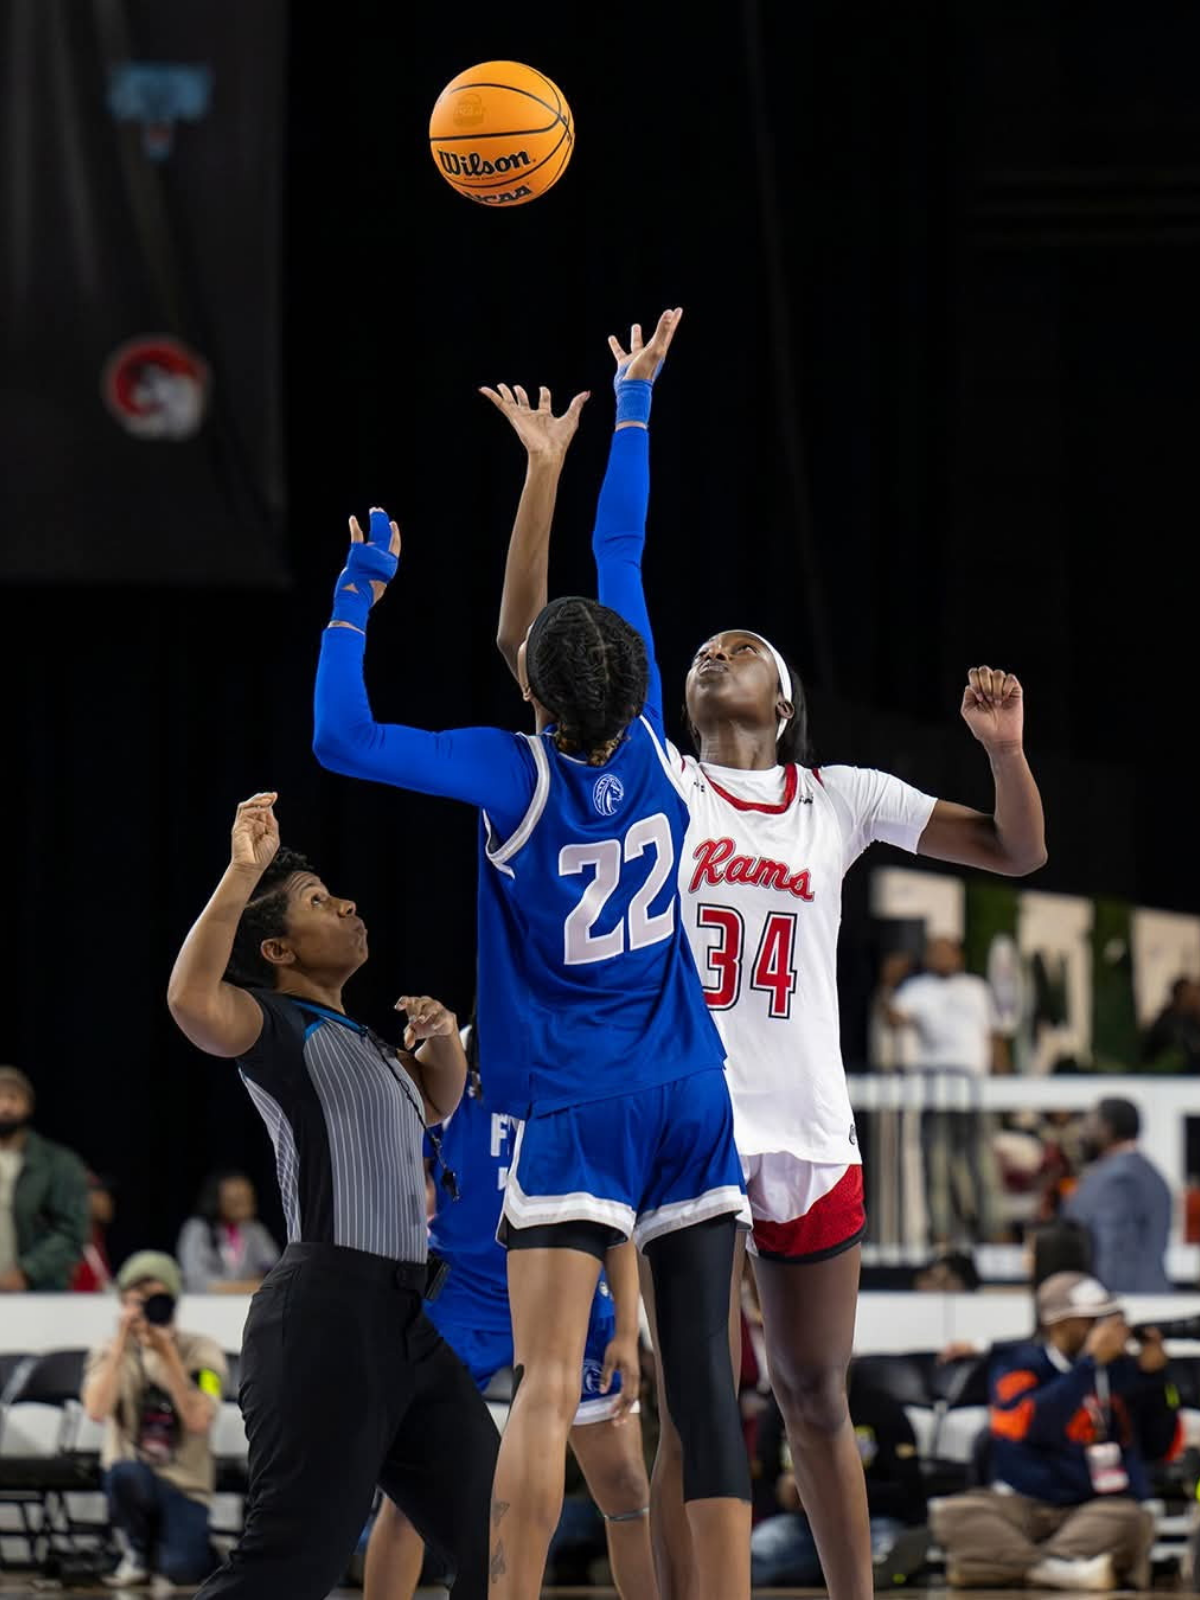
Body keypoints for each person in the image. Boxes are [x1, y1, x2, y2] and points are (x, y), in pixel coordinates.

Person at [495, 312, 1048, 1600]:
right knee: (698, 1399)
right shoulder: (661, 782)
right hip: (692, 1120)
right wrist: (606, 430)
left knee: (812, 1395)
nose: (718, 648)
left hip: (811, 1123)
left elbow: (1017, 855)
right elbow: (579, 592)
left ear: (784, 698)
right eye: (702, 652)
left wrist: (1007, 751)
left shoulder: (838, 796)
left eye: (744, 647)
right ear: (672, 701)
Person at [312, 307, 753, 1600]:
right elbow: (621, 549)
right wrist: (629, 408)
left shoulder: (513, 779)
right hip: (687, 1089)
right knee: (696, 1400)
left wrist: (354, 600)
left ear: (533, 698)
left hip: (566, 1104)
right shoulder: (662, 756)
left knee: (547, 1391)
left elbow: (347, 739)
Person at [166, 794, 499, 1600]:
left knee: (502, 1527)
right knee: (291, 1567)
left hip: (405, 1322)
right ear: (278, 947)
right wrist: (244, 872)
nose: (347, 903)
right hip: (321, 1318)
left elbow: (437, 1100)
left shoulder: (373, 1049)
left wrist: (443, 1039)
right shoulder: (275, 1030)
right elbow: (189, 1001)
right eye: (318, 902)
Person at [364, 1026, 656, 1600]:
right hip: (465, 1301)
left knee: (624, 1485)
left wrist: (627, 1325)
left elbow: (614, 1213)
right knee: (407, 1495)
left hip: (567, 1296)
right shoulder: (454, 1066)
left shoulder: (577, 1066)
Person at [930, 1272, 1181, 1590]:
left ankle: (1007, 1568)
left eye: (1109, 1318)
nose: (1105, 1329)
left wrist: (1155, 1380)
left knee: (1134, 1521)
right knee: (954, 1514)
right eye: (1092, 1320)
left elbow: (1159, 1447)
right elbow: (1034, 1426)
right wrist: (1088, 1366)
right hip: (1024, 1505)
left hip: (1096, 1508)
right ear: (1057, 1325)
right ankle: (1060, 1571)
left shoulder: (1123, 1369)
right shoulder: (1017, 1366)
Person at [82, 1251, 225, 1591]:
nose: (146, 1308)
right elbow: (96, 1411)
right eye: (136, 1300)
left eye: (155, 1299)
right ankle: (138, 1550)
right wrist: (120, 1345)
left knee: (181, 1571)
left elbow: (198, 1419)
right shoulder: (108, 1351)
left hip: (185, 1485)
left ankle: (182, 1551)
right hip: (134, 1473)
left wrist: (167, 1355)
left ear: (172, 1302)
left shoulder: (202, 1350)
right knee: (124, 1474)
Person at [750, 1371, 929, 1589]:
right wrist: (783, 1496)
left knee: (886, 1546)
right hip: (802, 1526)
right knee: (760, 1549)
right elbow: (762, 1485)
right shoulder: (778, 1411)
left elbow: (910, 1491)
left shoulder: (882, 1407)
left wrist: (839, 1492)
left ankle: (866, 1570)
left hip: (872, 1519)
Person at [881, 936, 1005, 1244]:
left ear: (958, 955)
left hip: (974, 1082)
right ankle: (941, 1235)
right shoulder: (917, 988)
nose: (940, 957)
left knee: (983, 1163)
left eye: (945, 951)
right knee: (936, 1163)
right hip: (935, 1081)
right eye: (933, 952)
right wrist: (888, 984)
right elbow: (894, 1020)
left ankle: (995, 1233)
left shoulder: (976, 987)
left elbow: (993, 1034)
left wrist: (1006, 1081)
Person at [1064, 1099, 1172, 1294]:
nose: (1084, 1133)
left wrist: (1103, 1304)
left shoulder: (1120, 1178)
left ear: (1107, 1129)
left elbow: (1114, 1251)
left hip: (1126, 1300)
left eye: (1090, 1125)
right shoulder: (1143, 1171)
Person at [0, 1064, 89, 1291]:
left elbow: (72, 1230)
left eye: (13, 1097)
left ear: (28, 1105)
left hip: (39, 1293)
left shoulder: (58, 1164)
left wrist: (28, 1271)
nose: (5, 1106)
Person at [177, 1171, 280, 1294]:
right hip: (207, 1304)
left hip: (247, 1302)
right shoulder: (198, 1230)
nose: (245, 1206)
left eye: (248, 1199)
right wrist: (242, 1287)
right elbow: (195, 1278)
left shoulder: (255, 1230)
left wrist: (260, 1283)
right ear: (216, 1200)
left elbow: (273, 1269)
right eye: (236, 1200)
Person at [1140, 977, 1200, 1073]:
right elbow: (1188, 1048)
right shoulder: (1171, 1020)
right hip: (1167, 1075)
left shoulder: (1189, 1018)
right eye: (1192, 994)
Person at [70, 1171, 117, 1292]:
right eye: (99, 1195)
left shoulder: (97, 1240)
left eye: (107, 1195)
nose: (108, 1201)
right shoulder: (70, 1246)